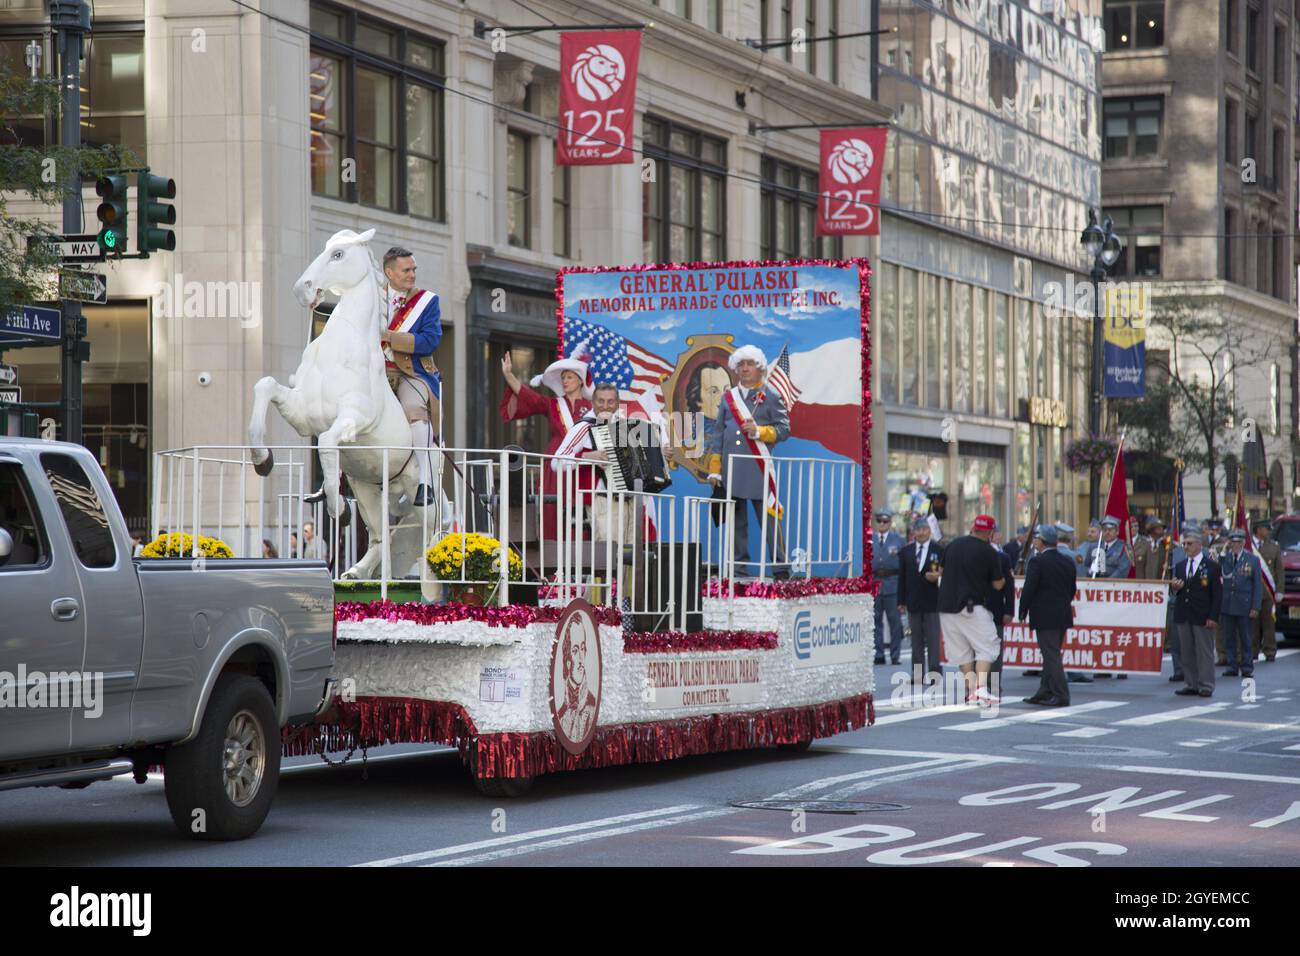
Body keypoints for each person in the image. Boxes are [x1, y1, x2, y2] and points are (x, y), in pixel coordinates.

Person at [705, 346, 790, 572]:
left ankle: (781, 568)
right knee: (736, 524)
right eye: (741, 365)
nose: (744, 369)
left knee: (770, 522)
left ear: (760, 368)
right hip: (732, 468)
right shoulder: (728, 398)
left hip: (758, 468)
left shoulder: (771, 395)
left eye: (749, 364)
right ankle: (738, 570)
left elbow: (784, 429)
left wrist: (761, 432)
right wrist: (715, 468)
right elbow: (718, 433)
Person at [500, 346, 594, 539]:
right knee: (553, 509)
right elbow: (529, 397)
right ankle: (552, 557)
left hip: (583, 464)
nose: (565, 381)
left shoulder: (591, 407)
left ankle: (581, 560)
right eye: (563, 378)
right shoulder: (552, 404)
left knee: (581, 511)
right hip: (555, 463)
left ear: (580, 380)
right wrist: (509, 375)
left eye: (569, 377)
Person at [380, 246, 443, 507]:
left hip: (411, 372)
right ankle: (338, 482)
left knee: (415, 409)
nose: (412, 274)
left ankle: (424, 483)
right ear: (389, 272)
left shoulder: (427, 301)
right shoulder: (372, 297)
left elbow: (430, 341)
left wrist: (390, 337)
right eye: (406, 270)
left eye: (414, 269)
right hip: (376, 372)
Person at [554, 382, 640, 542]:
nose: (605, 406)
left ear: (618, 403)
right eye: (601, 401)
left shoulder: (623, 426)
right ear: (593, 402)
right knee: (609, 555)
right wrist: (586, 457)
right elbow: (556, 462)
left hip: (628, 500)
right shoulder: (584, 426)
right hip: (601, 500)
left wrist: (660, 453)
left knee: (631, 557)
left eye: (610, 401)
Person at [936, 514, 1006, 706]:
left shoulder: (953, 545)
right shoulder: (989, 552)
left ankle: (973, 690)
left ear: (973, 528)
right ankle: (982, 688)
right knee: (988, 646)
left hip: (945, 607)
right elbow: (998, 584)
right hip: (970, 606)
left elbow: (941, 572)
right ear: (991, 533)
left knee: (961, 652)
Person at [1018, 525, 1077, 707]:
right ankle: (1045, 689)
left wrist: (1022, 610)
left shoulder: (1037, 562)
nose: (1034, 540)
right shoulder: (1067, 560)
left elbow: (1029, 589)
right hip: (1062, 613)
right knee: (1051, 653)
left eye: (1036, 538)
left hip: (1044, 615)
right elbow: (1071, 589)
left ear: (1041, 542)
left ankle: (1061, 694)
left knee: (1051, 655)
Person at [1171, 529, 1222, 698]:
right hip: (1184, 614)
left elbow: (1217, 595)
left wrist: (1213, 617)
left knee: (1204, 652)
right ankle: (1191, 683)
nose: (1186, 547)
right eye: (1184, 544)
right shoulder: (1180, 566)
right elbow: (1176, 591)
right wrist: (1175, 588)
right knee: (1187, 651)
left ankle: (1206, 684)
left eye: (1190, 544)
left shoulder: (1212, 567)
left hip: (1203, 615)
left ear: (1199, 545)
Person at [897, 518, 944, 684]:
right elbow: (901, 578)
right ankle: (917, 674)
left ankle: (934, 673)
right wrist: (901, 601)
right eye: (918, 529)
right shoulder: (906, 552)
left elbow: (945, 574)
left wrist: (938, 576)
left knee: (932, 639)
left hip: (933, 600)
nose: (921, 532)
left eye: (924, 529)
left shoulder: (939, 550)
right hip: (913, 601)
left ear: (929, 531)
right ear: (913, 532)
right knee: (915, 639)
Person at [1218, 528, 1261, 678]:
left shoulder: (1252, 560)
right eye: (1232, 542)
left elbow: (1257, 585)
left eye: (1238, 542)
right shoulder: (1225, 558)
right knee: (1229, 637)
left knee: (1245, 638)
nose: (1235, 545)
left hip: (1244, 605)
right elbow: (1219, 572)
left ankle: (1247, 667)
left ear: (1243, 543)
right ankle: (1232, 666)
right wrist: (1223, 554)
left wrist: (1255, 606)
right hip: (1228, 604)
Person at [870, 510, 906, 665]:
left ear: (890, 523)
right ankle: (879, 653)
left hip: (893, 582)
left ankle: (895, 654)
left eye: (885, 521)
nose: (882, 524)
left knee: (895, 622)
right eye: (879, 521)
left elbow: (904, 563)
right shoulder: (870, 540)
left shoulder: (898, 540)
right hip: (875, 582)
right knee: (875, 620)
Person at [986, 522, 1017, 696]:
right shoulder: (972, 555)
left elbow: (1009, 587)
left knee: (995, 648)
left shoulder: (1002, 557)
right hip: (975, 608)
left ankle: (994, 682)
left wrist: (1009, 610)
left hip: (996, 608)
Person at [1252, 518, 1282, 664]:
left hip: (1267, 593)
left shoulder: (1274, 547)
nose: (1268, 532)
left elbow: (1279, 571)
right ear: (1259, 530)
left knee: (1269, 623)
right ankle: (1252, 651)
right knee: (1253, 624)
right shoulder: (1249, 546)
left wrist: (1280, 590)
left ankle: (1270, 651)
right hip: (1251, 592)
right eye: (1266, 529)